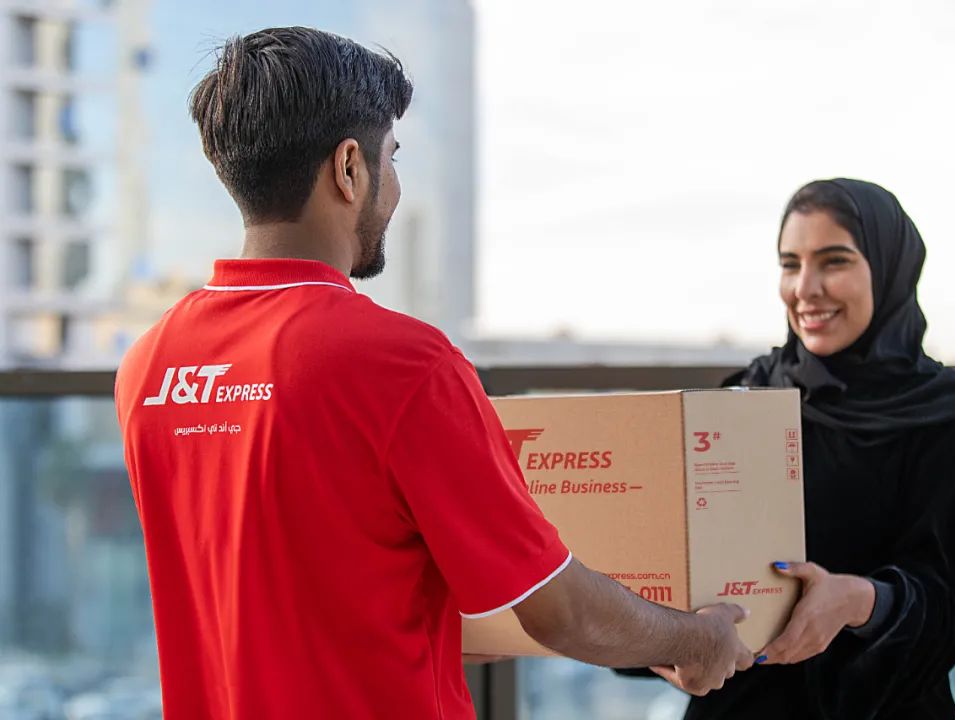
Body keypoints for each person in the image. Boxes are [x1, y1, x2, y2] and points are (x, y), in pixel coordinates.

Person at [113, 27, 752, 720]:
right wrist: (699, 636)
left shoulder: (149, 365)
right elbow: (556, 609)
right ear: (349, 168)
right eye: (392, 157)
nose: (392, 184)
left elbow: (286, 587)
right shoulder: (401, 363)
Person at [629, 178, 955, 719]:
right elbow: (678, 563)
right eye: (790, 264)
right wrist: (665, 640)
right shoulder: (745, 396)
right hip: (740, 707)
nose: (806, 287)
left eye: (834, 262)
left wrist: (858, 601)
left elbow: (945, 611)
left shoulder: (950, 417)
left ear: (889, 267)